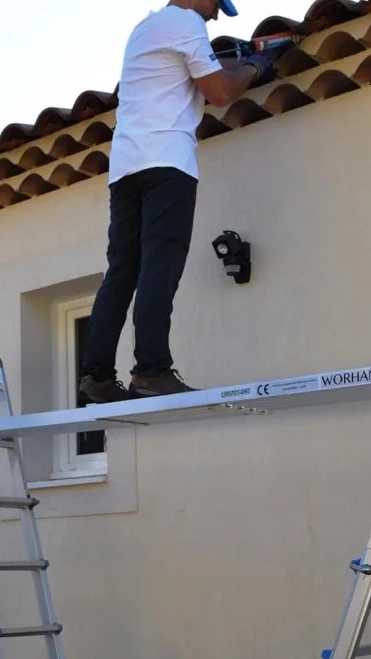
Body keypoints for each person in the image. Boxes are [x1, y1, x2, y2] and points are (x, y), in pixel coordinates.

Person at [79, 0, 277, 403]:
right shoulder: (186, 22)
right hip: (167, 164)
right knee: (160, 264)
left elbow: (180, 80)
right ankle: (151, 371)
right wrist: (258, 66)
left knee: (122, 271)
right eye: (215, 5)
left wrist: (227, 60)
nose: (215, 16)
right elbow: (220, 92)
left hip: (126, 169)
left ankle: (96, 377)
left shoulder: (144, 30)